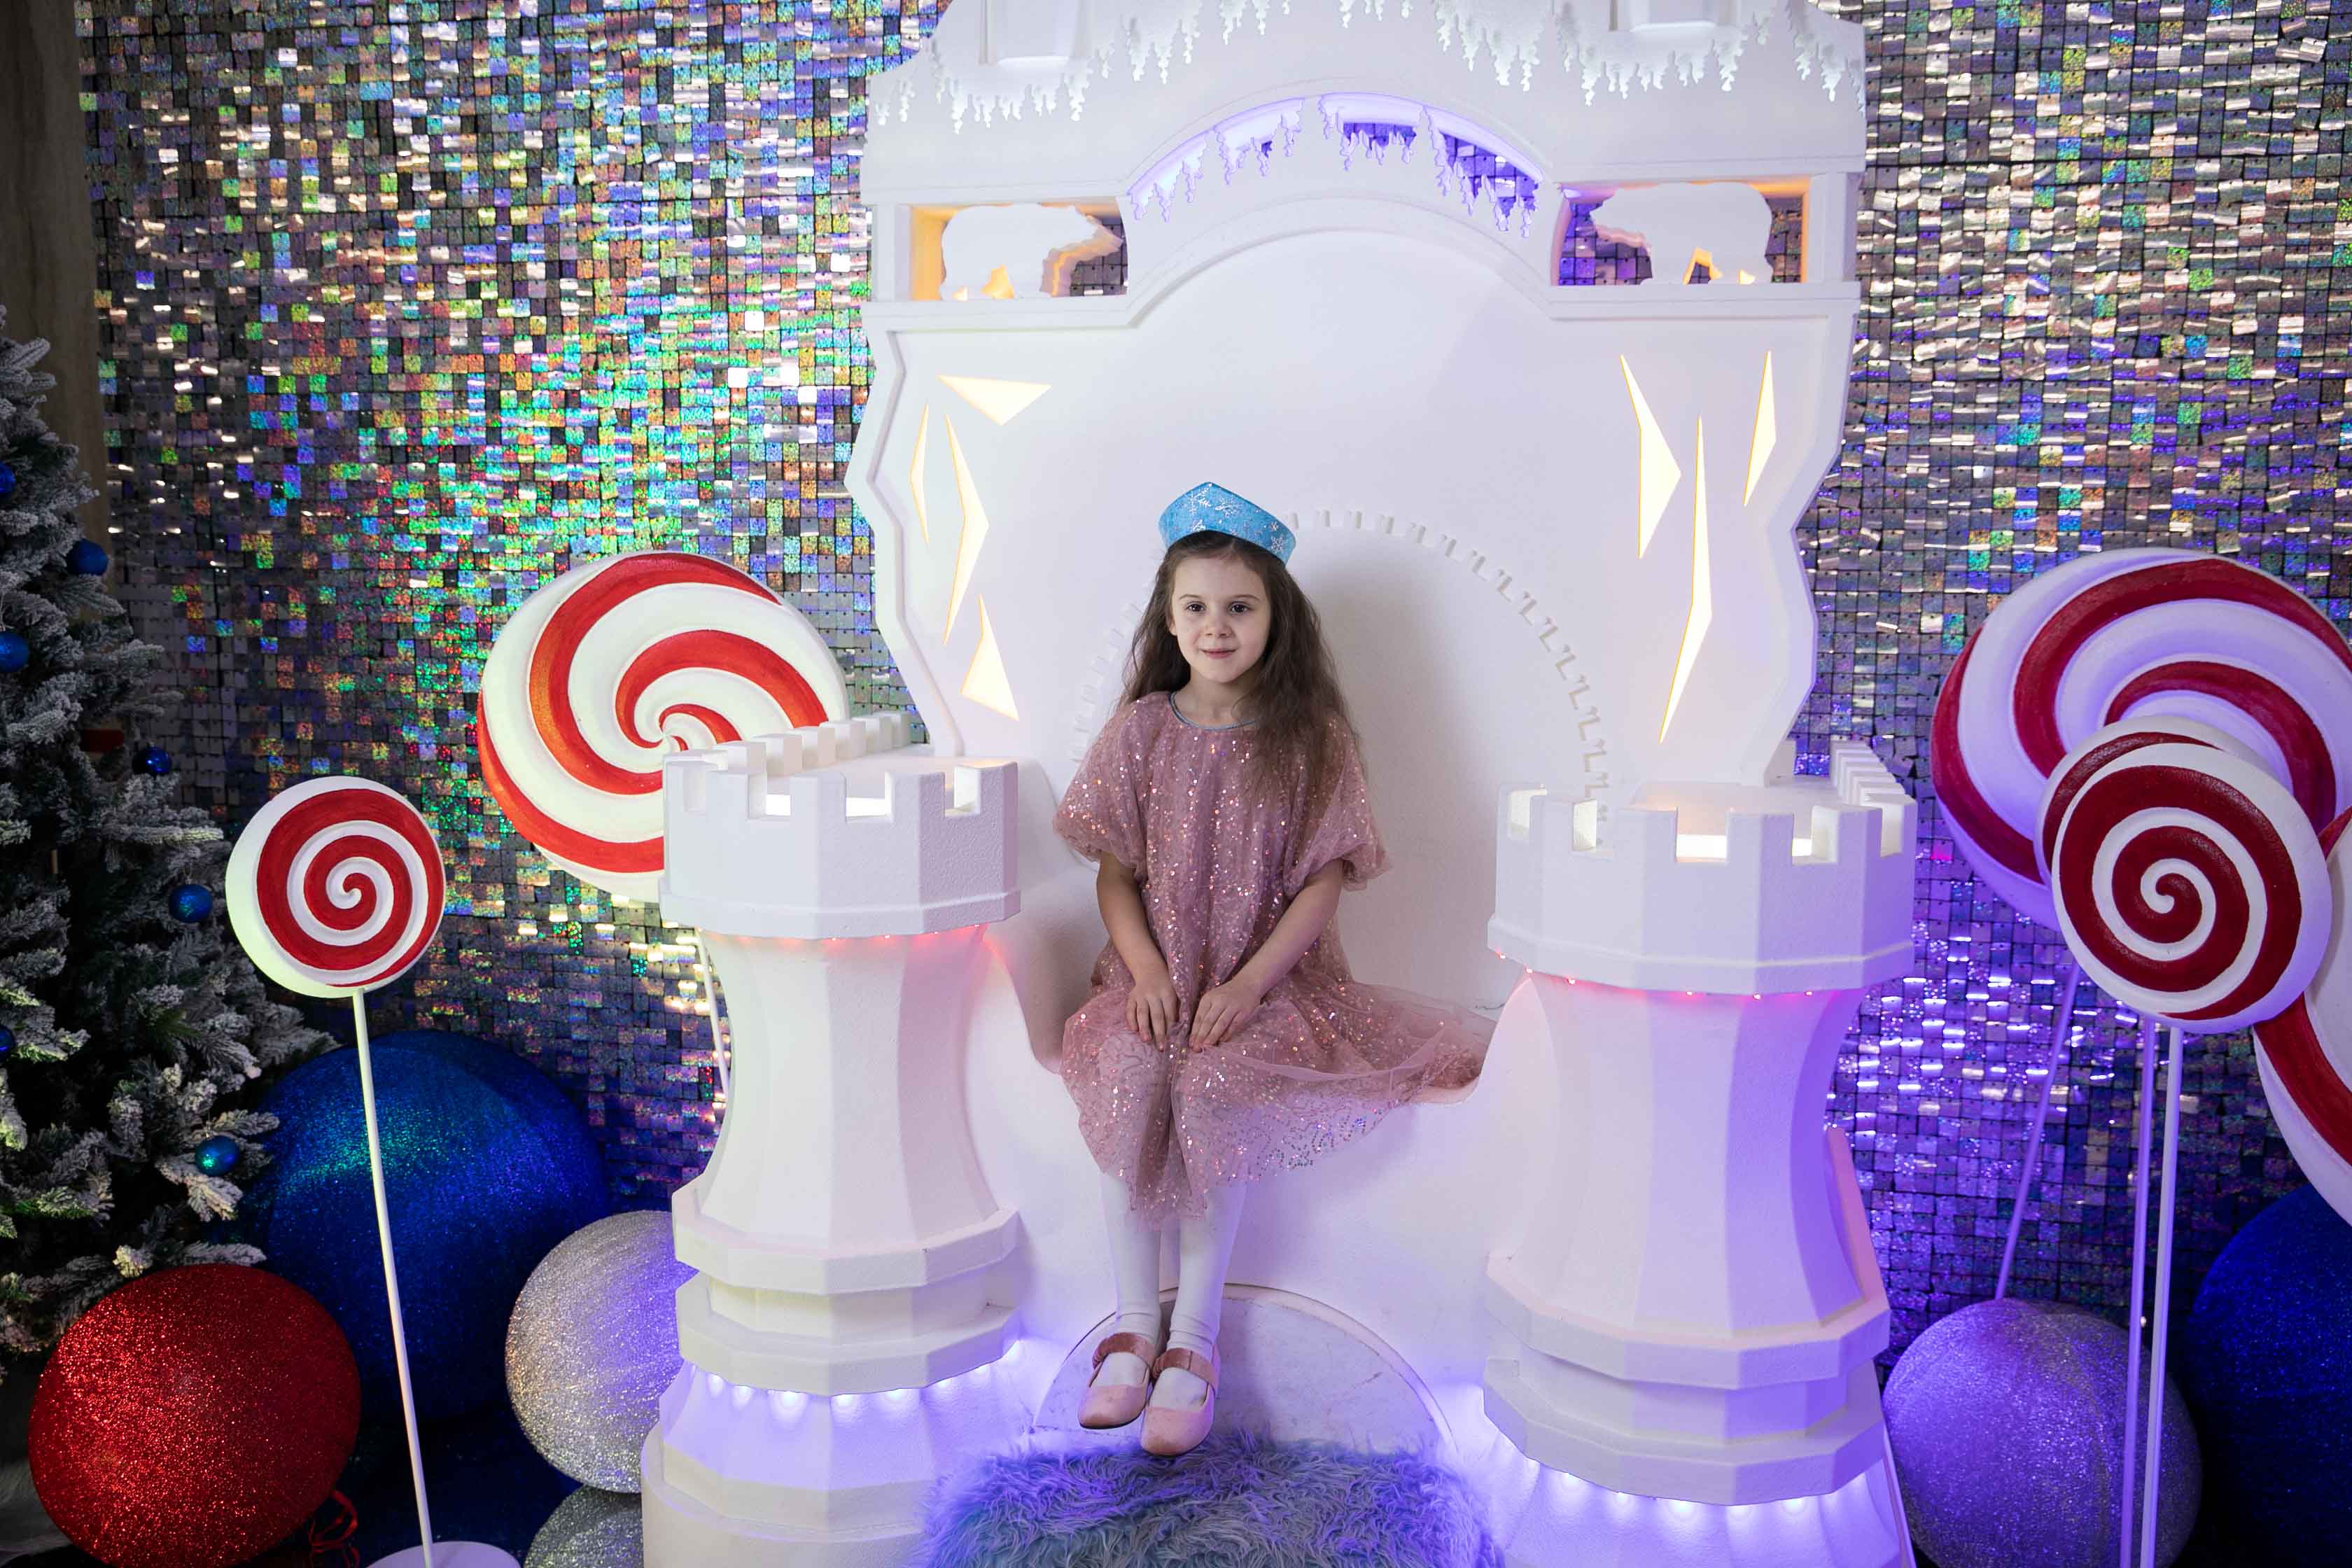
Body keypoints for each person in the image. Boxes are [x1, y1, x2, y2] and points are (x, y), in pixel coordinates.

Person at [1052, 480, 1492, 1456]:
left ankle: (1195, 1342)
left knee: (1213, 1088)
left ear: (1275, 619)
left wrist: (1249, 984)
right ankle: (1134, 1325)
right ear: (1169, 620)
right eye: (1197, 607)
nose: (1217, 626)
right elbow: (1115, 875)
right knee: (1132, 1072)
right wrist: (1147, 971)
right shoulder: (1141, 732)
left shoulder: (1309, 740)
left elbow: (1324, 881)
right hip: (1155, 978)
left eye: (1240, 607)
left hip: (1268, 984)